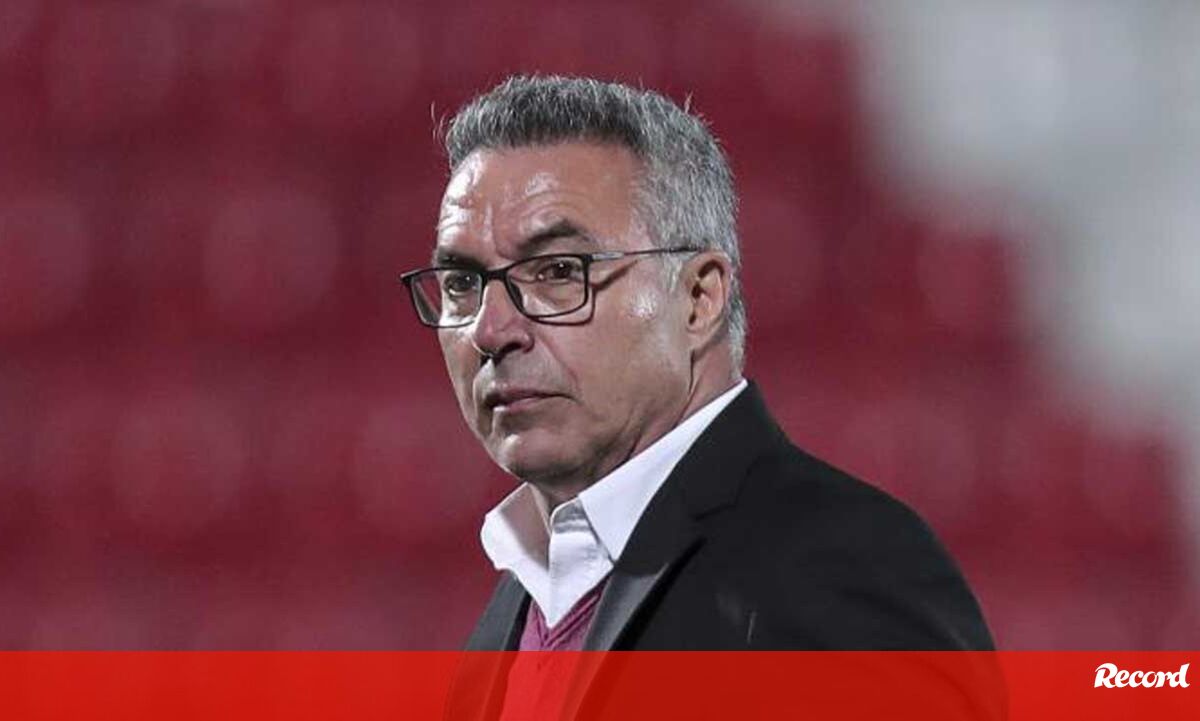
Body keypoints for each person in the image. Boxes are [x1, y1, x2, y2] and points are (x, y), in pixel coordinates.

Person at [400, 75, 994, 716]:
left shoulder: (840, 564)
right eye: (461, 283)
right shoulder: (519, 605)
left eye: (559, 272)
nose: (491, 330)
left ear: (699, 297)